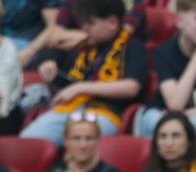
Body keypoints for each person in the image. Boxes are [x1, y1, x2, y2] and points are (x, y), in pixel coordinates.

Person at [24, 0, 149, 137]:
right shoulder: (82, 47)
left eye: (90, 23)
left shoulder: (133, 47)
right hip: (68, 108)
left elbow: (131, 87)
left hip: (104, 112)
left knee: (81, 136)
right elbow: (52, 55)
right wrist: (47, 63)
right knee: (30, 137)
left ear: (112, 23)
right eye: (83, 23)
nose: (84, 28)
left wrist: (80, 88)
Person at [134, 0, 196, 139]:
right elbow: (175, 104)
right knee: (170, 126)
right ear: (179, 21)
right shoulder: (164, 51)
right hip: (160, 112)